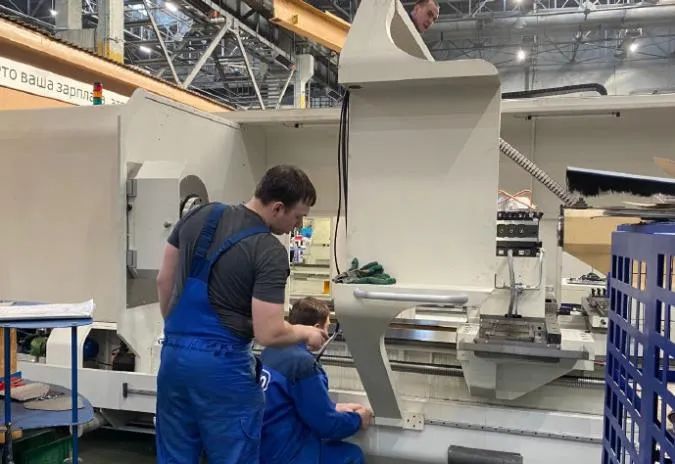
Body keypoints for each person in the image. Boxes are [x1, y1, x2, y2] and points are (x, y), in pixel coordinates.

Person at [155, 165, 329, 464]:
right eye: (298, 216)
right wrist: (306, 332)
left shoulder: (198, 215)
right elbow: (269, 332)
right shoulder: (268, 250)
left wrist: (180, 334)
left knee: (175, 456)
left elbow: (163, 281)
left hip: (173, 359)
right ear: (278, 208)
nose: (298, 225)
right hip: (222, 369)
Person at [259, 297, 374, 464]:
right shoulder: (303, 364)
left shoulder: (271, 351)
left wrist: (334, 407)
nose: (327, 335)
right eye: (327, 327)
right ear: (317, 328)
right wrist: (357, 419)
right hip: (287, 455)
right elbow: (327, 425)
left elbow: (290, 402)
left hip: (263, 449)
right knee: (351, 454)